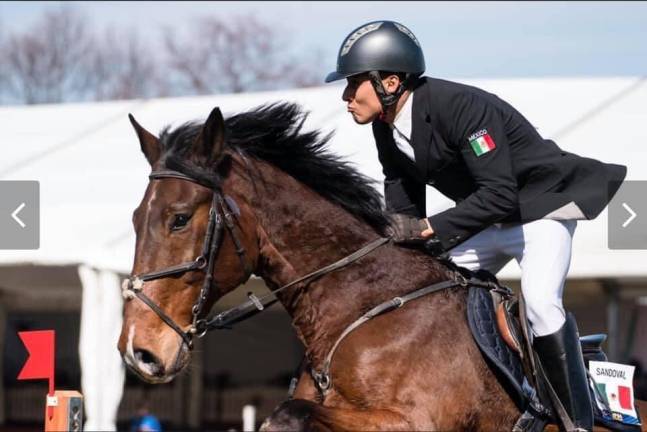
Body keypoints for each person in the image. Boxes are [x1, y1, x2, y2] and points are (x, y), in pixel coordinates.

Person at [325, 20, 627, 431]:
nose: (345, 97)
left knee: (539, 303)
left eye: (352, 84)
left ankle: (577, 422)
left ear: (390, 82)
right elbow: (401, 199)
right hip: (487, 220)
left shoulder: (463, 107)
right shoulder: (386, 125)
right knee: (422, 289)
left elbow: (500, 194)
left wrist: (428, 229)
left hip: (540, 213)